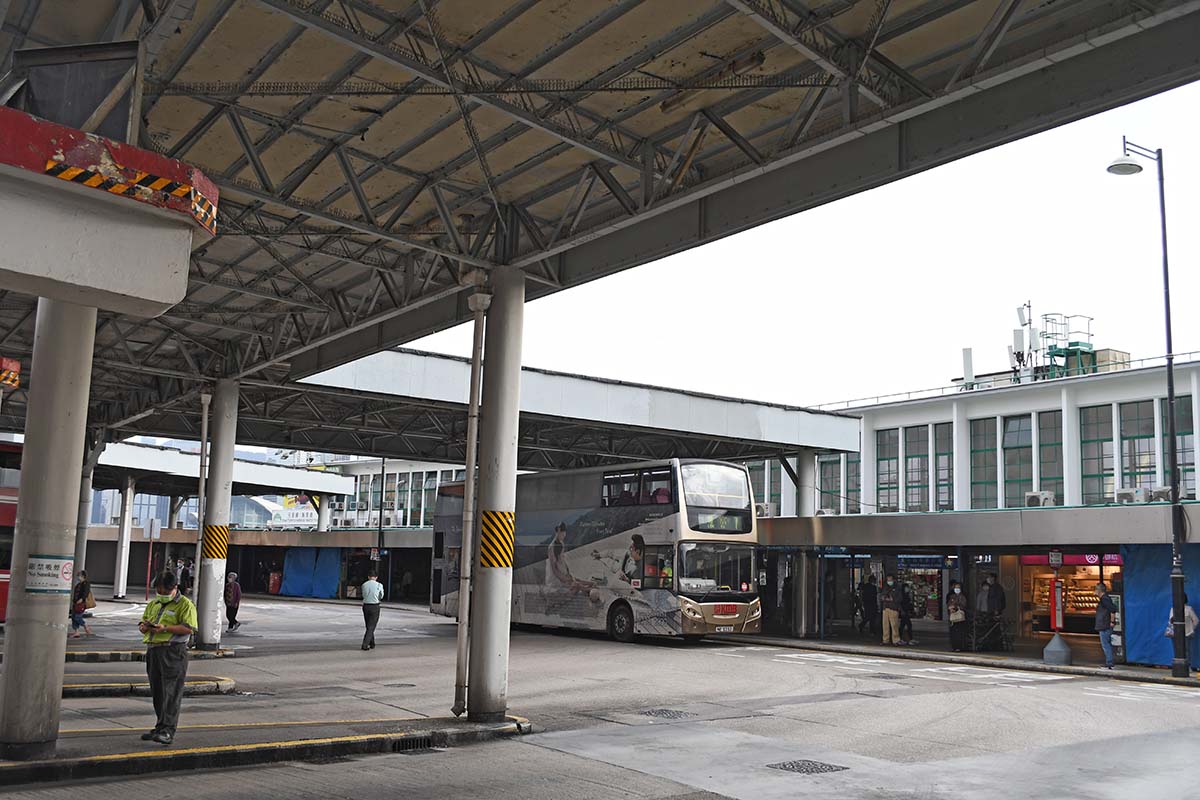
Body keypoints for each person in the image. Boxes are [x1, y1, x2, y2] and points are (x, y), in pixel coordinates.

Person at [138, 571, 197, 745]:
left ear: (175, 588)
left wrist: (165, 629)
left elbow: (189, 628)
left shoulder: (185, 605)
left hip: (173, 652)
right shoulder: (154, 603)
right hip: (154, 651)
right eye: (159, 591)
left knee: (171, 693)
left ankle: (168, 730)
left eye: (165, 592)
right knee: (158, 692)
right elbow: (144, 620)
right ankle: (160, 726)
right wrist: (144, 626)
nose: (161, 595)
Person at [1168, 593, 1200, 670]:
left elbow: (1196, 620)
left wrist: (1191, 629)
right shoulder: (1173, 609)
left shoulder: (1189, 609)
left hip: (1187, 633)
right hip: (1176, 634)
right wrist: (1172, 621)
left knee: (1186, 651)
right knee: (1177, 651)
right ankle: (1178, 666)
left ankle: (1187, 667)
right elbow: (1170, 622)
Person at [1094, 582, 1118, 669]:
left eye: (1095, 590)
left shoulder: (1104, 599)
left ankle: (1109, 662)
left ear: (1099, 591)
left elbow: (1112, 610)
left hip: (1105, 625)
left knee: (1105, 644)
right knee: (1106, 643)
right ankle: (1109, 661)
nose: (1094, 592)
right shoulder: (1104, 599)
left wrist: (1112, 621)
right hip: (1104, 624)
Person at [360, 569, 384, 651]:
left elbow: (363, 595)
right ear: (376, 577)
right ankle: (365, 644)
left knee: (368, 625)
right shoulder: (379, 585)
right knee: (371, 626)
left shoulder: (364, 585)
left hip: (366, 606)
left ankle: (372, 643)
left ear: (368, 577)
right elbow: (381, 596)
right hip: (375, 606)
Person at [69, 570, 93, 638]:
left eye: (79, 575)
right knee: (73, 617)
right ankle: (76, 632)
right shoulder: (78, 584)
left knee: (77, 617)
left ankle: (86, 626)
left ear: (83, 576)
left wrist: (82, 599)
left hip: (81, 603)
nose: (78, 577)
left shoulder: (86, 583)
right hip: (75, 603)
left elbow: (86, 592)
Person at [880, 574, 903, 645]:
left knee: (894, 625)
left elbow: (900, 598)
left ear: (893, 580)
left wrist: (892, 599)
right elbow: (881, 595)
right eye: (888, 580)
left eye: (890, 580)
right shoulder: (885, 587)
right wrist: (883, 598)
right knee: (885, 625)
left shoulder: (897, 588)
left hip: (893, 608)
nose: (889, 581)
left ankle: (896, 640)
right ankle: (885, 640)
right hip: (885, 607)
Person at [947, 580, 968, 652]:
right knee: (953, 633)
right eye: (956, 588)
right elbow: (948, 604)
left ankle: (959, 647)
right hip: (952, 617)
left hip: (959, 618)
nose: (957, 589)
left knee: (959, 633)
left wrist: (955, 607)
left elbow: (963, 605)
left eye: (958, 588)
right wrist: (950, 608)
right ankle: (954, 646)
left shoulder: (963, 597)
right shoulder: (952, 596)